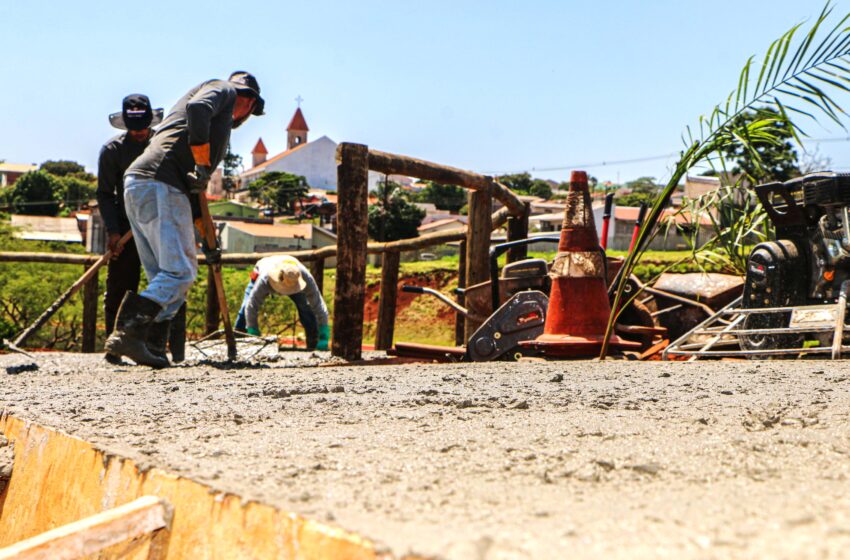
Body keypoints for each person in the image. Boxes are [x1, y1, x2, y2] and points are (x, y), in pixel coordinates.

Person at [105, 72, 265, 368]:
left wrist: (206, 234)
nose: (246, 117)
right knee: (181, 273)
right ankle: (128, 332)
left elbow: (194, 191)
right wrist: (203, 159)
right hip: (161, 186)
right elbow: (198, 109)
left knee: (165, 279)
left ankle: (151, 345)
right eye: (251, 111)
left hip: (142, 185)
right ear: (248, 100)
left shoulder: (208, 118)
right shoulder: (224, 90)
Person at [97, 94, 163, 364]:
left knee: (163, 282)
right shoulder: (111, 151)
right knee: (120, 285)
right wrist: (114, 231)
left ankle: (158, 345)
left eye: (143, 127)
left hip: (160, 222)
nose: (139, 133)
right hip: (125, 228)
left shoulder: (162, 145)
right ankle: (115, 347)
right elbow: (105, 195)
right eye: (134, 128)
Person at [234, 255, 330, 351]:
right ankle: (236, 342)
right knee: (245, 308)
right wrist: (252, 329)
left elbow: (319, 305)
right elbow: (251, 306)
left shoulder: (305, 277)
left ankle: (313, 343)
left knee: (306, 309)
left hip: (294, 280)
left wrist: (324, 333)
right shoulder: (264, 278)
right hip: (262, 270)